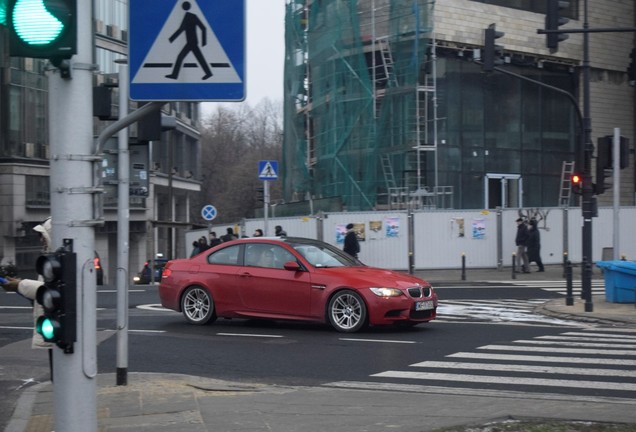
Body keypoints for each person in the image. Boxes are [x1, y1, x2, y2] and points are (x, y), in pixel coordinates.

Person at [1, 218, 54, 377]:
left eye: (42, 235)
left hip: (62, 331)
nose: (40, 240)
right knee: (57, 376)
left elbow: (53, 290)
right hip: (56, 328)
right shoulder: (51, 261)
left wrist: (20, 285)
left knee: (60, 375)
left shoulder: (59, 262)